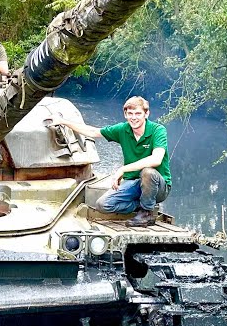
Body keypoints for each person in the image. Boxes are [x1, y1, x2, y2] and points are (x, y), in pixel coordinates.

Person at [52, 96, 170, 227]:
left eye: (138, 113)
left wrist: (122, 169)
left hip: (158, 187)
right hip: (134, 183)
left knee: (148, 173)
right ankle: (142, 205)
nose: (133, 117)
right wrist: (63, 121)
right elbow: (93, 131)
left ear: (146, 114)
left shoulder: (157, 130)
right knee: (103, 205)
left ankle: (147, 213)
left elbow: (156, 159)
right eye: (130, 113)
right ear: (125, 114)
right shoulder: (123, 129)